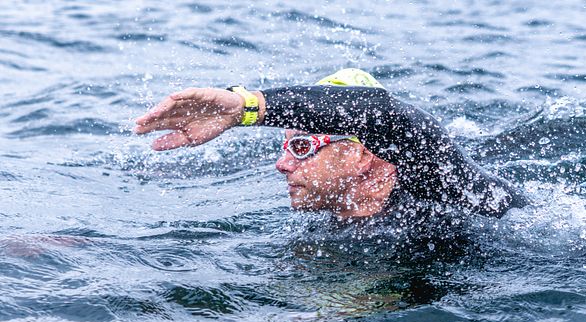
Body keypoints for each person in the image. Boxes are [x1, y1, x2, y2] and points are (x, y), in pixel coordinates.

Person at [134, 69, 526, 224]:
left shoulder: (443, 189)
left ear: (359, 150)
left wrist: (247, 107)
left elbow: (390, 117)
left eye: (302, 146)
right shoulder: (332, 218)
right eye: (286, 147)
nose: (281, 165)